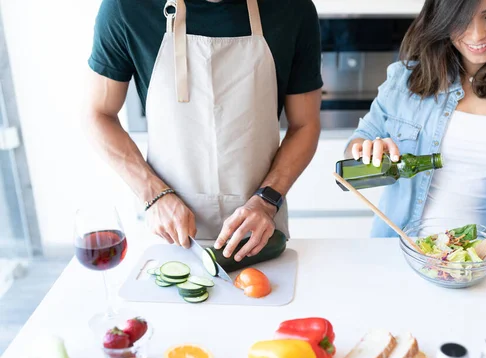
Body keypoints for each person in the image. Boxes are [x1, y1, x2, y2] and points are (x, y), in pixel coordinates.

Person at [84, 0, 322, 261]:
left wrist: (266, 201)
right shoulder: (126, 7)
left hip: (259, 232)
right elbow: (98, 115)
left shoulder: (293, 8)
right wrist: (154, 195)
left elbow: (304, 125)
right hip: (167, 232)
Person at [345, 0, 486, 238]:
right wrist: (367, 153)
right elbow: (353, 157)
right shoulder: (403, 80)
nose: (477, 35)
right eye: (460, 18)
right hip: (402, 250)